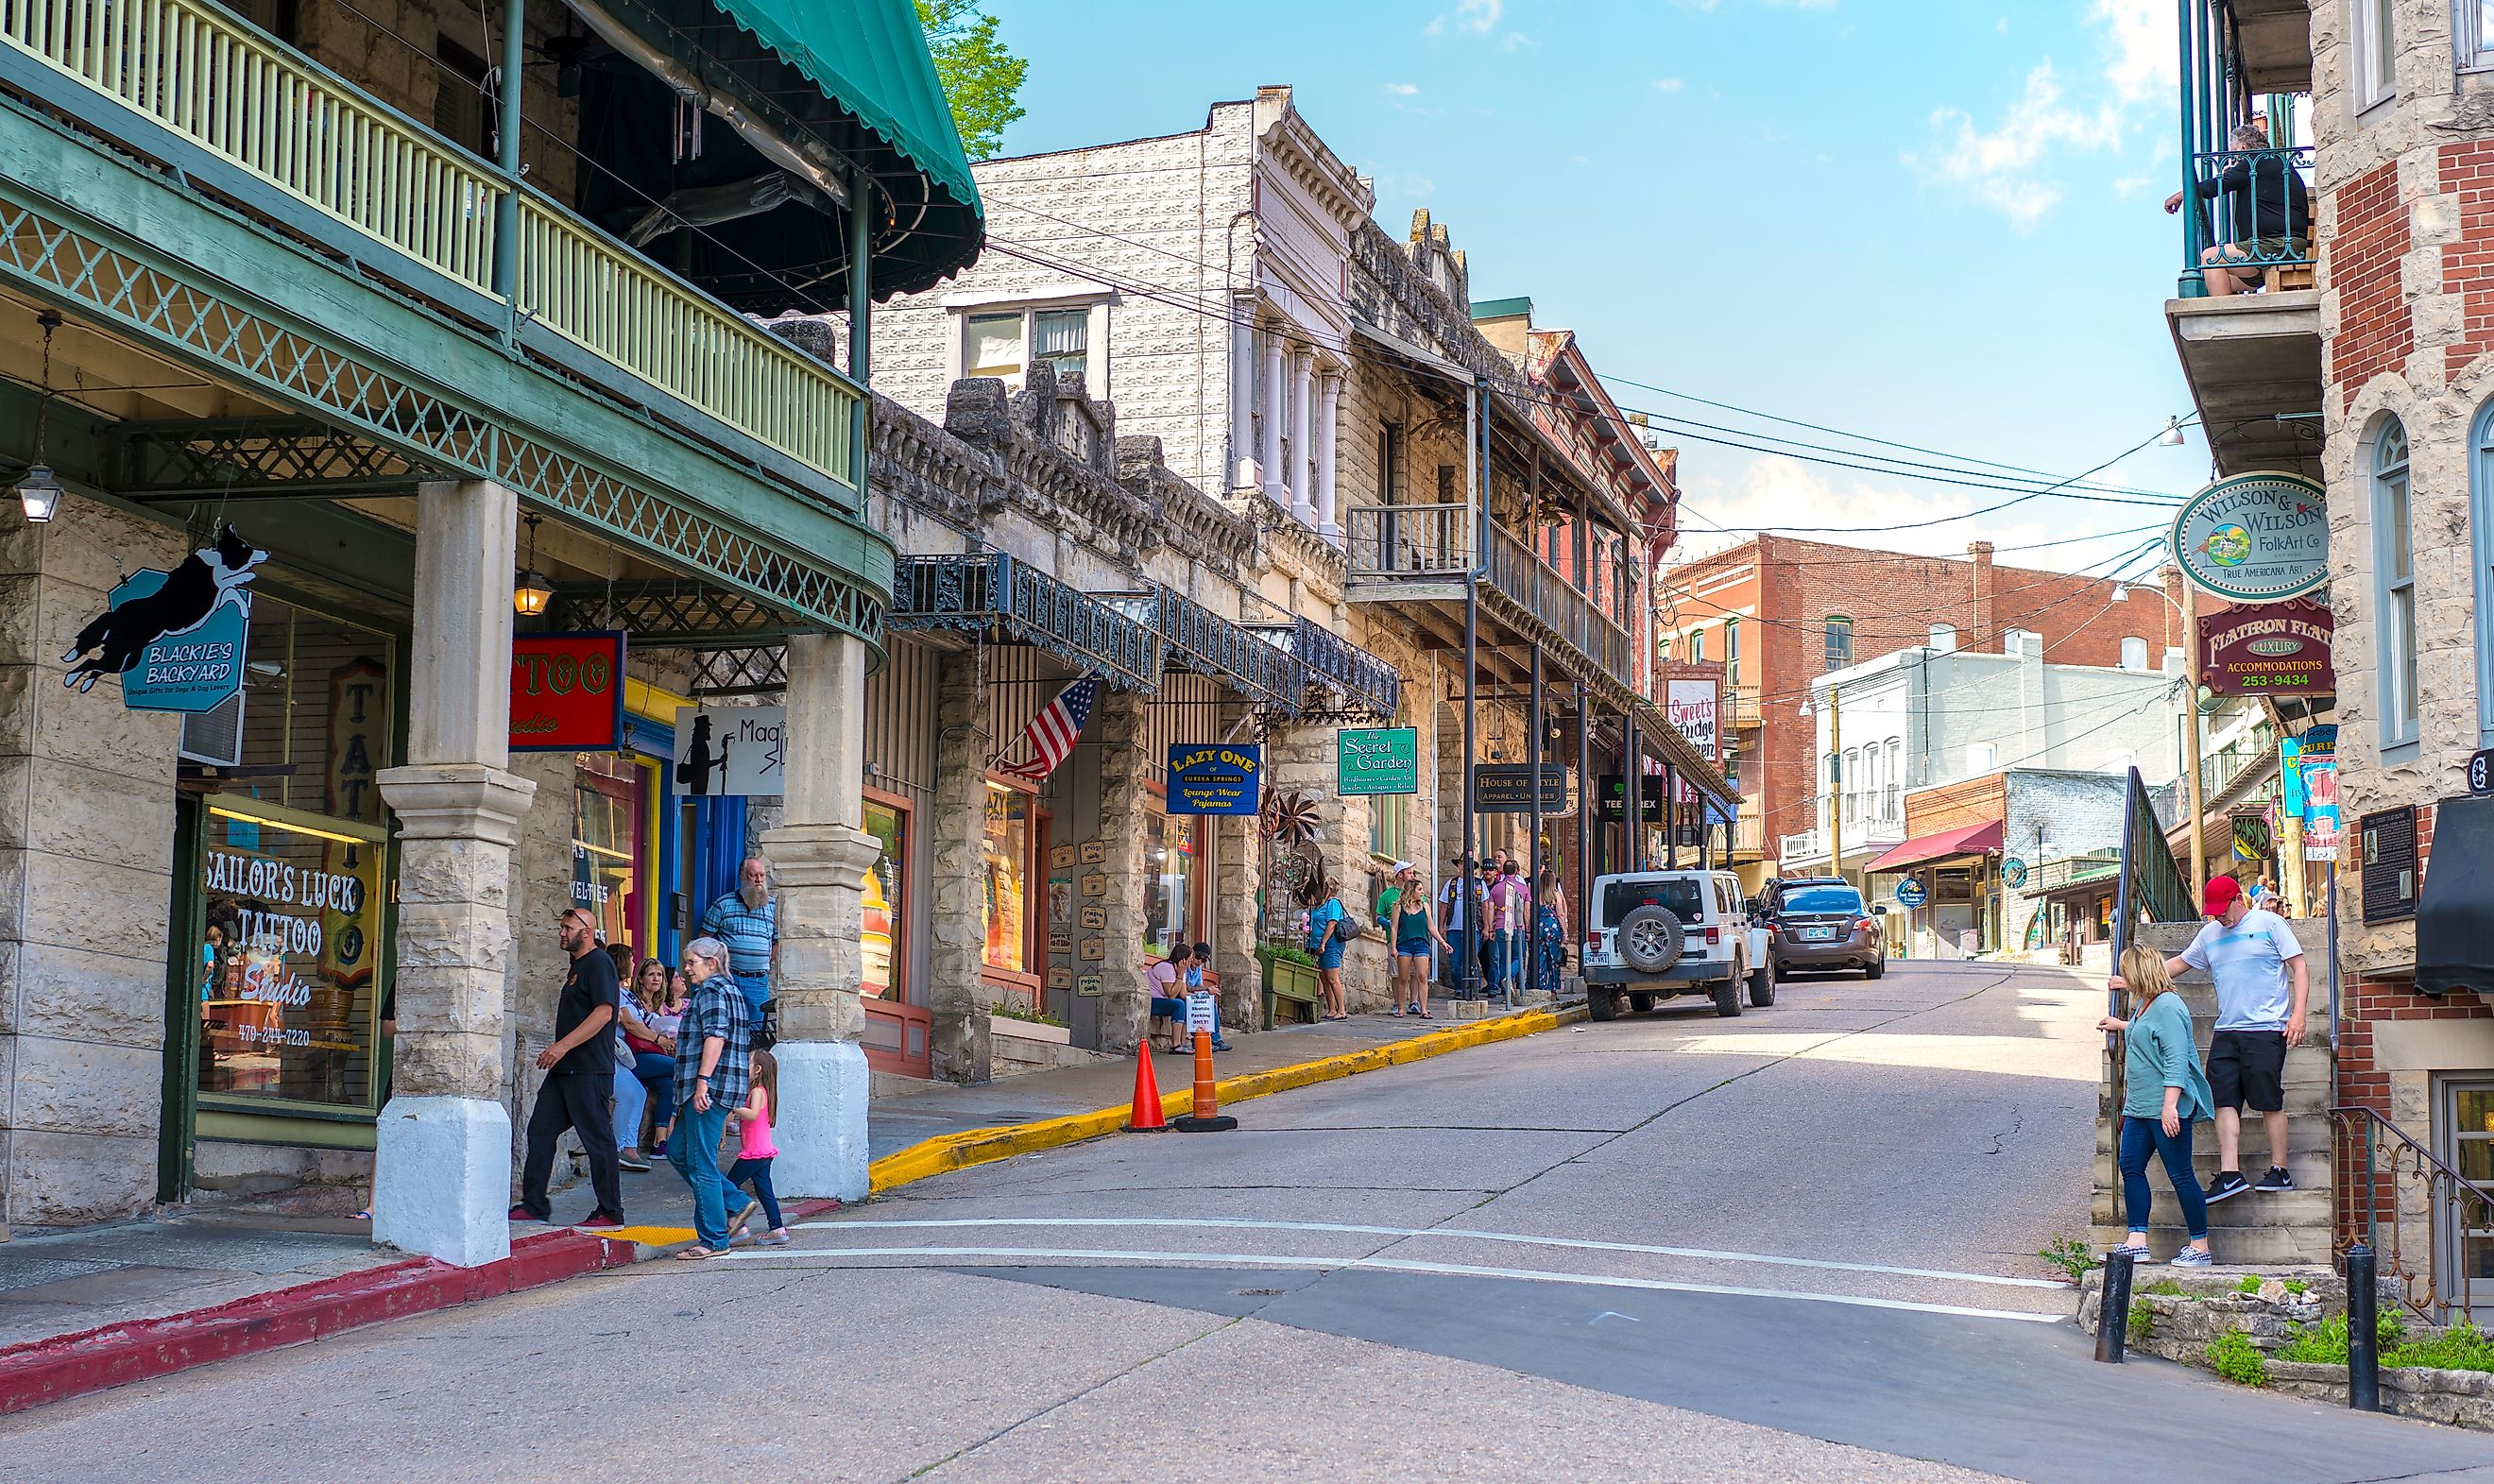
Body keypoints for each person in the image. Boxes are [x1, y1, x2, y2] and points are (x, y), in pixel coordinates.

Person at [2145, 873, 2308, 1203]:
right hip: (2226, 1030)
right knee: (2223, 1099)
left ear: (2238, 899)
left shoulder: (2270, 924)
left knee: (2268, 1100)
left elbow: (2300, 968)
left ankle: (2280, 1170)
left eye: (2223, 909)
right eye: (2214, 912)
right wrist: (2136, 980)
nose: (2219, 916)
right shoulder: (2209, 934)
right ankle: (2231, 1173)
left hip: (2265, 1028)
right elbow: (2179, 964)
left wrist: (2299, 1015)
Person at [2100, 944, 2215, 1266]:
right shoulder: (2144, 1004)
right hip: (2139, 1107)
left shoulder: (2168, 1006)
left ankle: (2200, 1246)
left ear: (2140, 974)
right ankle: (2137, 1240)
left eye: (2127, 973)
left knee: (2180, 1174)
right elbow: (2145, 1032)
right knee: (2130, 1166)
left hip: (2166, 1106)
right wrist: (2120, 1025)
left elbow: (2176, 1060)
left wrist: (2170, 1107)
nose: (2124, 979)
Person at [510, 908, 625, 1229]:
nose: (561, 932)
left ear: (586, 931)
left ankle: (611, 1212)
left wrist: (561, 1047)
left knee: (597, 1139)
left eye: (567, 927)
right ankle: (534, 1205)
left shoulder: (599, 964)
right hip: (565, 1072)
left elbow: (604, 1013)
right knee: (540, 1130)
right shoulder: (577, 967)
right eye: (561, 927)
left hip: (589, 1071)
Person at [669, 935, 753, 1259]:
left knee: (700, 1163)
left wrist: (702, 1081)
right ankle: (735, 1203)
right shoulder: (728, 991)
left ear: (712, 963)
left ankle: (714, 1239)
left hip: (708, 1087)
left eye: (692, 962)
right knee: (678, 1152)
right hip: (708, 1087)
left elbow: (715, 1037)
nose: (686, 969)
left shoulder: (713, 991)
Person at [2164, 122, 2311, 298]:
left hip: (2277, 246)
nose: (2232, 159)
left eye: (2233, 154)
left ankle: (2222, 322)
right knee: (2216, 278)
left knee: (2211, 259)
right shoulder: (2272, 162)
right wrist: (2233, 173)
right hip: (2272, 248)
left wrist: (2181, 195)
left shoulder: (2255, 161)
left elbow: (2217, 186)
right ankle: (2225, 316)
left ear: (2242, 148)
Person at [724, 1047, 789, 1247]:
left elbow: (752, 1114)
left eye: (748, 1064)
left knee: (727, 1186)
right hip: (761, 1151)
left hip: (754, 1153)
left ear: (758, 1069)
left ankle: (737, 1224)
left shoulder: (757, 1092)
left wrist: (734, 1107)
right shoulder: (759, 1091)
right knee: (764, 1190)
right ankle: (776, 1228)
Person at [701, 857, 777, 1025]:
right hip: (729, 978)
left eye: (762, 875)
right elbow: (704, 939)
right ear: (742, 876)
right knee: (725, 1027)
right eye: (753, 875)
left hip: (758, 982)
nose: (759, 880)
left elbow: (778, 942)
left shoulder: (773, 907)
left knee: (757, 1031)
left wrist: (762, 960)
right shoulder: (723, 904)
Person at [624, 958, 680, 1156]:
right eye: (651, 974)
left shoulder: (657, 1005)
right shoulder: (629, 999)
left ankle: (660, 1142)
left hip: (653, 1057)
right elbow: (631, 1026)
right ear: (640, 979)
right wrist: (659, 1039)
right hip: (634, 1057)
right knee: (681, 1069)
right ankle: (681, 1132)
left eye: (659, 975)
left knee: (669, 1085)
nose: (656, 978)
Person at [1389, 863, 1449, 1018]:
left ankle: (1423, 1009)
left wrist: (1442, 942)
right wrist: (1393, 947)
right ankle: (1401, 1008)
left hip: (1421, 943)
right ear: (1411, 891)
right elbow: (1394, 927)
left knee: (1422, 976)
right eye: (1419, 890)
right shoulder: (1398, 907)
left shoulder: (1425, 906)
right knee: (1403, 978)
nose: (1422, 892)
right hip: (1404, 944)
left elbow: (1431, 926)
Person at [1302, 874, 1350, 1020]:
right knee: (1324, 977)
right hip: (1319, 945)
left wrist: (1323, 943)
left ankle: (1341, 1010)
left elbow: (1332, 923)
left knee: (1332, 978)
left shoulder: (1333, 904)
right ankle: (1331, 1009)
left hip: (1331, 945)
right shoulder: (1322, 905)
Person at [1438, 855, 1487, 994]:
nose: (1463, 867)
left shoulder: (1479, 884)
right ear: (1458, 866)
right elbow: (1444, 906)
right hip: (1454, 928)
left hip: (1474, 928)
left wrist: (1487, 927)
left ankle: (1473, 988)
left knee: (1472, 959)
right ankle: (1459, 987)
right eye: (1461, 864)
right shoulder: (1451, 884)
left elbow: (1485, 906)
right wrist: (1441, 926)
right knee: (1455, 962)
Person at [1145, 943, 1197, 1053]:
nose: (1191, 962)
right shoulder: (1166, 967)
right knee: (1178, 1004)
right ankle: (1175, 1044)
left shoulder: (1181, 970)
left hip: (1163, 1001)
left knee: (1187, 1002)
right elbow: (1171, 994)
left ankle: (1183, 1042)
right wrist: (1180, 975)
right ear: (1183, 960)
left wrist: (1199, 997)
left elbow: (1183, 994)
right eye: (1190, 959)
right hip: (1152, 1001)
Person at [1186, 940, 1231, 1051]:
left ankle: (1215, 1038)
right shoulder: (1185, 965)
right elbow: (1187, 988)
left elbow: (1199, 985)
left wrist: (1207, 992)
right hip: (1184, 995)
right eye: (1198, 957)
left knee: (1210, 1002)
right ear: (1192, 954)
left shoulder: (1198, 969)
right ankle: (1200, 1038)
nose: (1199, 961)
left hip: (1192, 996)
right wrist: (1206, 989)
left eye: (1204, 959)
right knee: (1200, 1004)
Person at [1535, 867, 1569, 1001]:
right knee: (1554, 960)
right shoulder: (1556, 896)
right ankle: (1553, 989)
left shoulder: (1538, 895)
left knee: (1541, 959)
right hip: (1553, 927)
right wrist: (1565, 931)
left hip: (1540, 927)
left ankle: (1541, 987)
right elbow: (1560, 914)